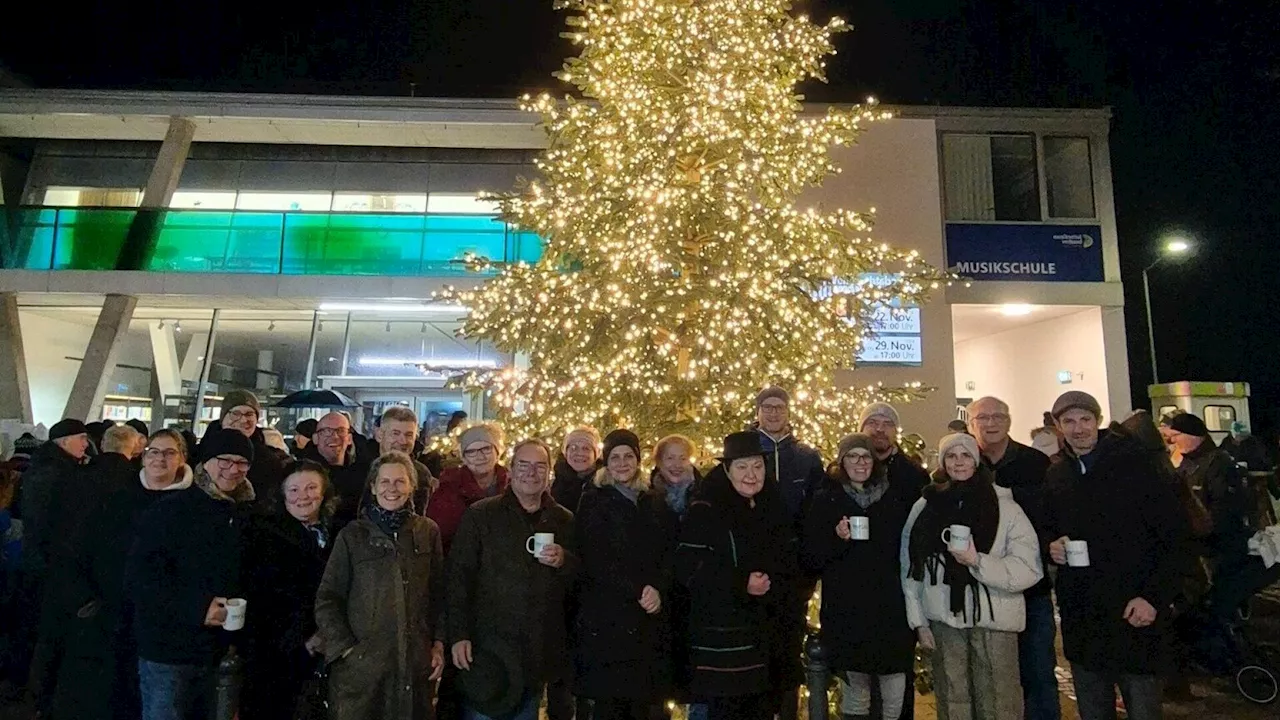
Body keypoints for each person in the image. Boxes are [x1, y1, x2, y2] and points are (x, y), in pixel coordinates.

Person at [1042, 391, 1185, 720]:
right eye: (1069, 421)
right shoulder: (1057, 474)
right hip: (1084, 618)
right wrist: (1051, 546)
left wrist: (1153, 597)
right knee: (1093, 708)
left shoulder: (1137, 466)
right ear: (1058, 427)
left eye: (1085, 419)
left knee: (1143, 708)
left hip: (1134, 612)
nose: (1078, 429)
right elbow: (1047, 527)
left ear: (1098, 421)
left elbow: (1173, 537)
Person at [53, 429, 194, 720]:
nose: (160, 459)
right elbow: (82, 547)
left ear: (182, 459)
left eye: (170, 452)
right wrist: (86, 599)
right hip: (113, 618)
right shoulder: (119, 497)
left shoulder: (195, 505)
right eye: (154, 451)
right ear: (143, 456)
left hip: (166, 627)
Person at [902, 433, 1043, 720]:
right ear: (943, 462)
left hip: (995, 619)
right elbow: (910, 566)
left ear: (977, 460)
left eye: (965, 455)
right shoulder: (926, 506)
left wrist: (978, 562)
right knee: (953, 699)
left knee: (999, 701)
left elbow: (1029, 568)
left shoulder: (1005, 507)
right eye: (951, 456)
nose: (959, 462)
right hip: (944, 618)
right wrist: (918, 620)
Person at [126, 428, 257, 720]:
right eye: (224, 460)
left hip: (219, 651)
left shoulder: (248, 514)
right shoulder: (172, 510)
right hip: (168, 649)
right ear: (205, 462)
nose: (232, 469)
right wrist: (198, 608)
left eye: (241, 463)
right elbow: (141, 578)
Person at [445, 439, 577, 720]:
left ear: (549, 472)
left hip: (535, 654)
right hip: (486, 648)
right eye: (524, 465)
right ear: (512, 469)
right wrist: (458, 635)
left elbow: (580, 583)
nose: (531, 472)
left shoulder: (563, 520)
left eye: (540, 466)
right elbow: (459, 578)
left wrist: (565, 560)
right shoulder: (481, 515)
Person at [315, 452, 445, 720]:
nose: (391, 489)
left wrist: (438, 644)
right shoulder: (353, 535)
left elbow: (439, 594)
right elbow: (328, 598)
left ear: (411, 485)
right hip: (363, 671)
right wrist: (348, 650)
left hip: (414, 665)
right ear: (373, 487)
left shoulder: (427, 532)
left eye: (399, 481)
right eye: (384, 482)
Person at [676, 431, 794, 720]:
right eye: (742, 467)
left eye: (757, 466)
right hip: (722, 645)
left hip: (765, 639)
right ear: (727, 470)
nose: (751, 475)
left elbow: (790, 559)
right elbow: (688, 569)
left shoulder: (774, 506)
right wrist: (740, 583)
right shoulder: (705, 509)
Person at [803, 434, 916, 720]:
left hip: (891, 607)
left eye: (865, 456)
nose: (860, 462)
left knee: (894, 689)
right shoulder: (826, 499)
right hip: (847, 610)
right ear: (842, 462)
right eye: (852, 456)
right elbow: (813, 557)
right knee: (856, 692)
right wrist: (837, 539)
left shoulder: (894, 497)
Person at [965, 397, 1058, 720]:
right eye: (983, 417)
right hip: (980, 589)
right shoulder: (963, 463)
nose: (991, 423)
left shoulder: (1035, 464)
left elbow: (1051, 518)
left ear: (1009, 420)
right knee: (988, 675)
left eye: (998, 416)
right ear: (970, 423)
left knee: (1038, 672)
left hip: (1030, 588)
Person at [574, 429, 670, 720]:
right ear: (606, 462)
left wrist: (658, 588)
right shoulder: (593, 501)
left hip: (647, 617)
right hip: (608, 618)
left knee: (643, 704)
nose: (622, 462)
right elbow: (593, 558)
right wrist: (638, 589)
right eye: (615, 457)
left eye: (629, 456)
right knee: (611, 705)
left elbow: (668, 552)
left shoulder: (653, 501)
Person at [752, 387, 823, 720]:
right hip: (753, 573)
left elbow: (816, 514)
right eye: (768, 407)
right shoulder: (746, 450)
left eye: (780, 407)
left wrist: (808, 572)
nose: (774, 413)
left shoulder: (806, 458)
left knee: (788, 653)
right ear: (758, 411)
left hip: (794, 575)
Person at [859, 402, 927, 717]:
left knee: (898, 670)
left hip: (899, 585)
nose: (879, 428)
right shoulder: (849, 469)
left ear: (895, 431)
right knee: (860, 672)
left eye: (886, 422)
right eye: (872, 421)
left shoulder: (914, 475)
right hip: (859, 588)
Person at [18, 418, 90, 715]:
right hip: (51, 567)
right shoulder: (59, 473)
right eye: (82, 438)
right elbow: (52, 525)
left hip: (39, 563)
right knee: (48, 636)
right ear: (65, 442)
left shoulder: (45, 467)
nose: (86, 444)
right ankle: (40, 700)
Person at [1164, 413, 1254, 618]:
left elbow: (1225, 511)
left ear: (1193, 435)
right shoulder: (1187, 463)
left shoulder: (1219, 463)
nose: (1172, 441)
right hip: (1197, 548)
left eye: (1175, 435)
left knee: (1222, 605)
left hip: (1219, 550)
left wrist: (1202, 534)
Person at [649, 434, 704, 718]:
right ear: (658, 462)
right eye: (669, 457)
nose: (676, 464)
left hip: (695, 597)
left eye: (683, 457)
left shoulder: (705, 495)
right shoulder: (646, 496)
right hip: (659, 596)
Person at [428, 423, 510, 555]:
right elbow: (439, 535)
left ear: (497, 452)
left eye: (486, 449)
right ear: (464, 457)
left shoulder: (512, 486)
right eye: (471, 452)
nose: (480, 456)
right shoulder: (448, 489)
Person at [200, 390, 289, 507]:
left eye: (249, 414)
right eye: (235, 413)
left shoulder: (271, 458)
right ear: (223, 416)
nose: (243, 420)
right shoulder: (198, 451)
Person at [300, 411, 372, 529]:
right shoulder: (300, 473)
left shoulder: (363, 473)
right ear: (315, 438)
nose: (334, 436)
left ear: (349, 439)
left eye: (341, 431)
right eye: (326, 431)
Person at [374, 406, 437, 514]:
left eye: (409, 435)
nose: (403, 441)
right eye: (395, 433)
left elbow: (421, 516)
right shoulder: (362, 469)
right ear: (380, 435)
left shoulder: (421, 473)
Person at [551, 426, 601, 515]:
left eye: (586, 448)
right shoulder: (554, 487)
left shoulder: (605, 483)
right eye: (573, 448)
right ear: (566, 452)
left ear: (595, 454)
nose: (580, 453)